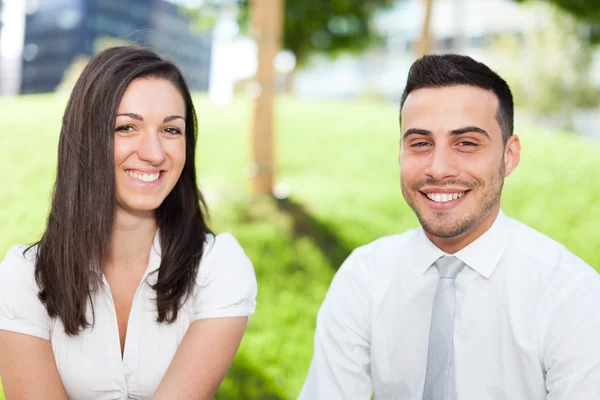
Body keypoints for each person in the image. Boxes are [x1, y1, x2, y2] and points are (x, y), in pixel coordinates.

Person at [299, 54, 600, 399]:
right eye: (421, 143)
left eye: (467, 143)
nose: (439, 168)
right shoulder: (365, 277)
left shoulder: (572, 296)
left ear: (509, 155)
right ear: (400, 153)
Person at [0, 46, 257, 399]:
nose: (153, 153)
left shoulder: (219, 267)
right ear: (86, 139)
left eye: (171, 129)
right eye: (126, 127)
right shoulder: (24, 277)